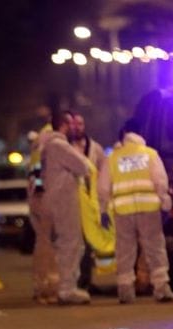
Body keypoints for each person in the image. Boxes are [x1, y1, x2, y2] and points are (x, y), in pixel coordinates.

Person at [98, 119, 173, 303]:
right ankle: (161, 288)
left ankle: (125, 290)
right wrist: (165, 205)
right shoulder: (149, 154)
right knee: (155, 249)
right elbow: (160, 182)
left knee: (124, 250)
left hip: (123, 210)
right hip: (149, 209)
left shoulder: (113, 158)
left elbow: (102, 188)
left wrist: (103, 210)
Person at [41, 111, 92, 305]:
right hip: (64, 199)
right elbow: (83, 166)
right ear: (63, 125)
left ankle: (68, 286)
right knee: (71, 242)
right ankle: (67, 288)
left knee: (68, 242)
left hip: (57, 198)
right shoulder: (59, 145)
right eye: (70, 123)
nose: (74, 127)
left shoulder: (49, 145)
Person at [68, 112, 107, 291]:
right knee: (72, 243)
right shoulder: (64, 148)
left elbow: (104, 173)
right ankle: (72, 281)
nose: (77, 128)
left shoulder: (95, 148)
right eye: (74, 124)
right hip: (70, 202)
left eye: (80, 124)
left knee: (88, 243)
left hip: (90, 204)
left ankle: (86, 280)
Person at [27, 121, 60, 304]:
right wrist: (41, 190)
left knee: (42, 243)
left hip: (37, 197)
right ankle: (50, 288)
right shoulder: (49, 141)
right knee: (48, 245)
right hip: (44, 198)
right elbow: (39, 171)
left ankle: (41, 286)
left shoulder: (38, 142)